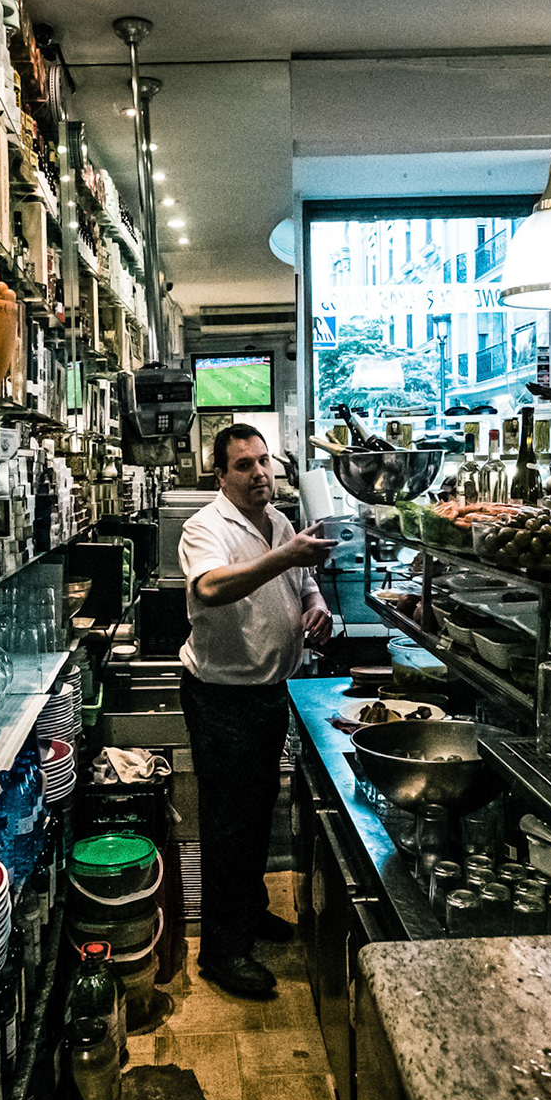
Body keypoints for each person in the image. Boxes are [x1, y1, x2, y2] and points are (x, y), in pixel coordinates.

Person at [179, 424, 335, 998]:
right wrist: (287, 556)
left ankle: (248, 913)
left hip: (270, 690)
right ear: (220, 475)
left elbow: (302, 580)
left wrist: (313, 602)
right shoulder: (206, 527)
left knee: (257, 811)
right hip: (221, 696)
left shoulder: (280, 523)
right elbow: (212, 588)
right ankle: (221, 952)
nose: (258, 473)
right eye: (243, 465)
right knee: (229, 824)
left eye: (263, 462)